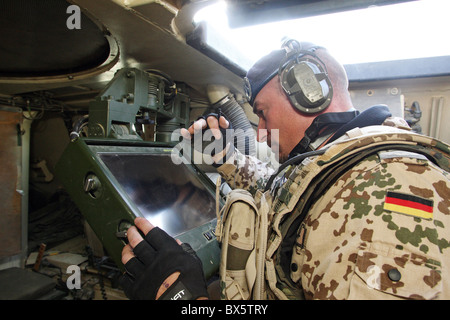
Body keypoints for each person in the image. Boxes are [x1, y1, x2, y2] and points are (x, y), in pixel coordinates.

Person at [120, 40, 450, 300]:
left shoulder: (393, 194)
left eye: (263, 112)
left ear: (308, 91)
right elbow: (283, 194)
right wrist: (224, 155)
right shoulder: (340, 169)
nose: (261, 131)